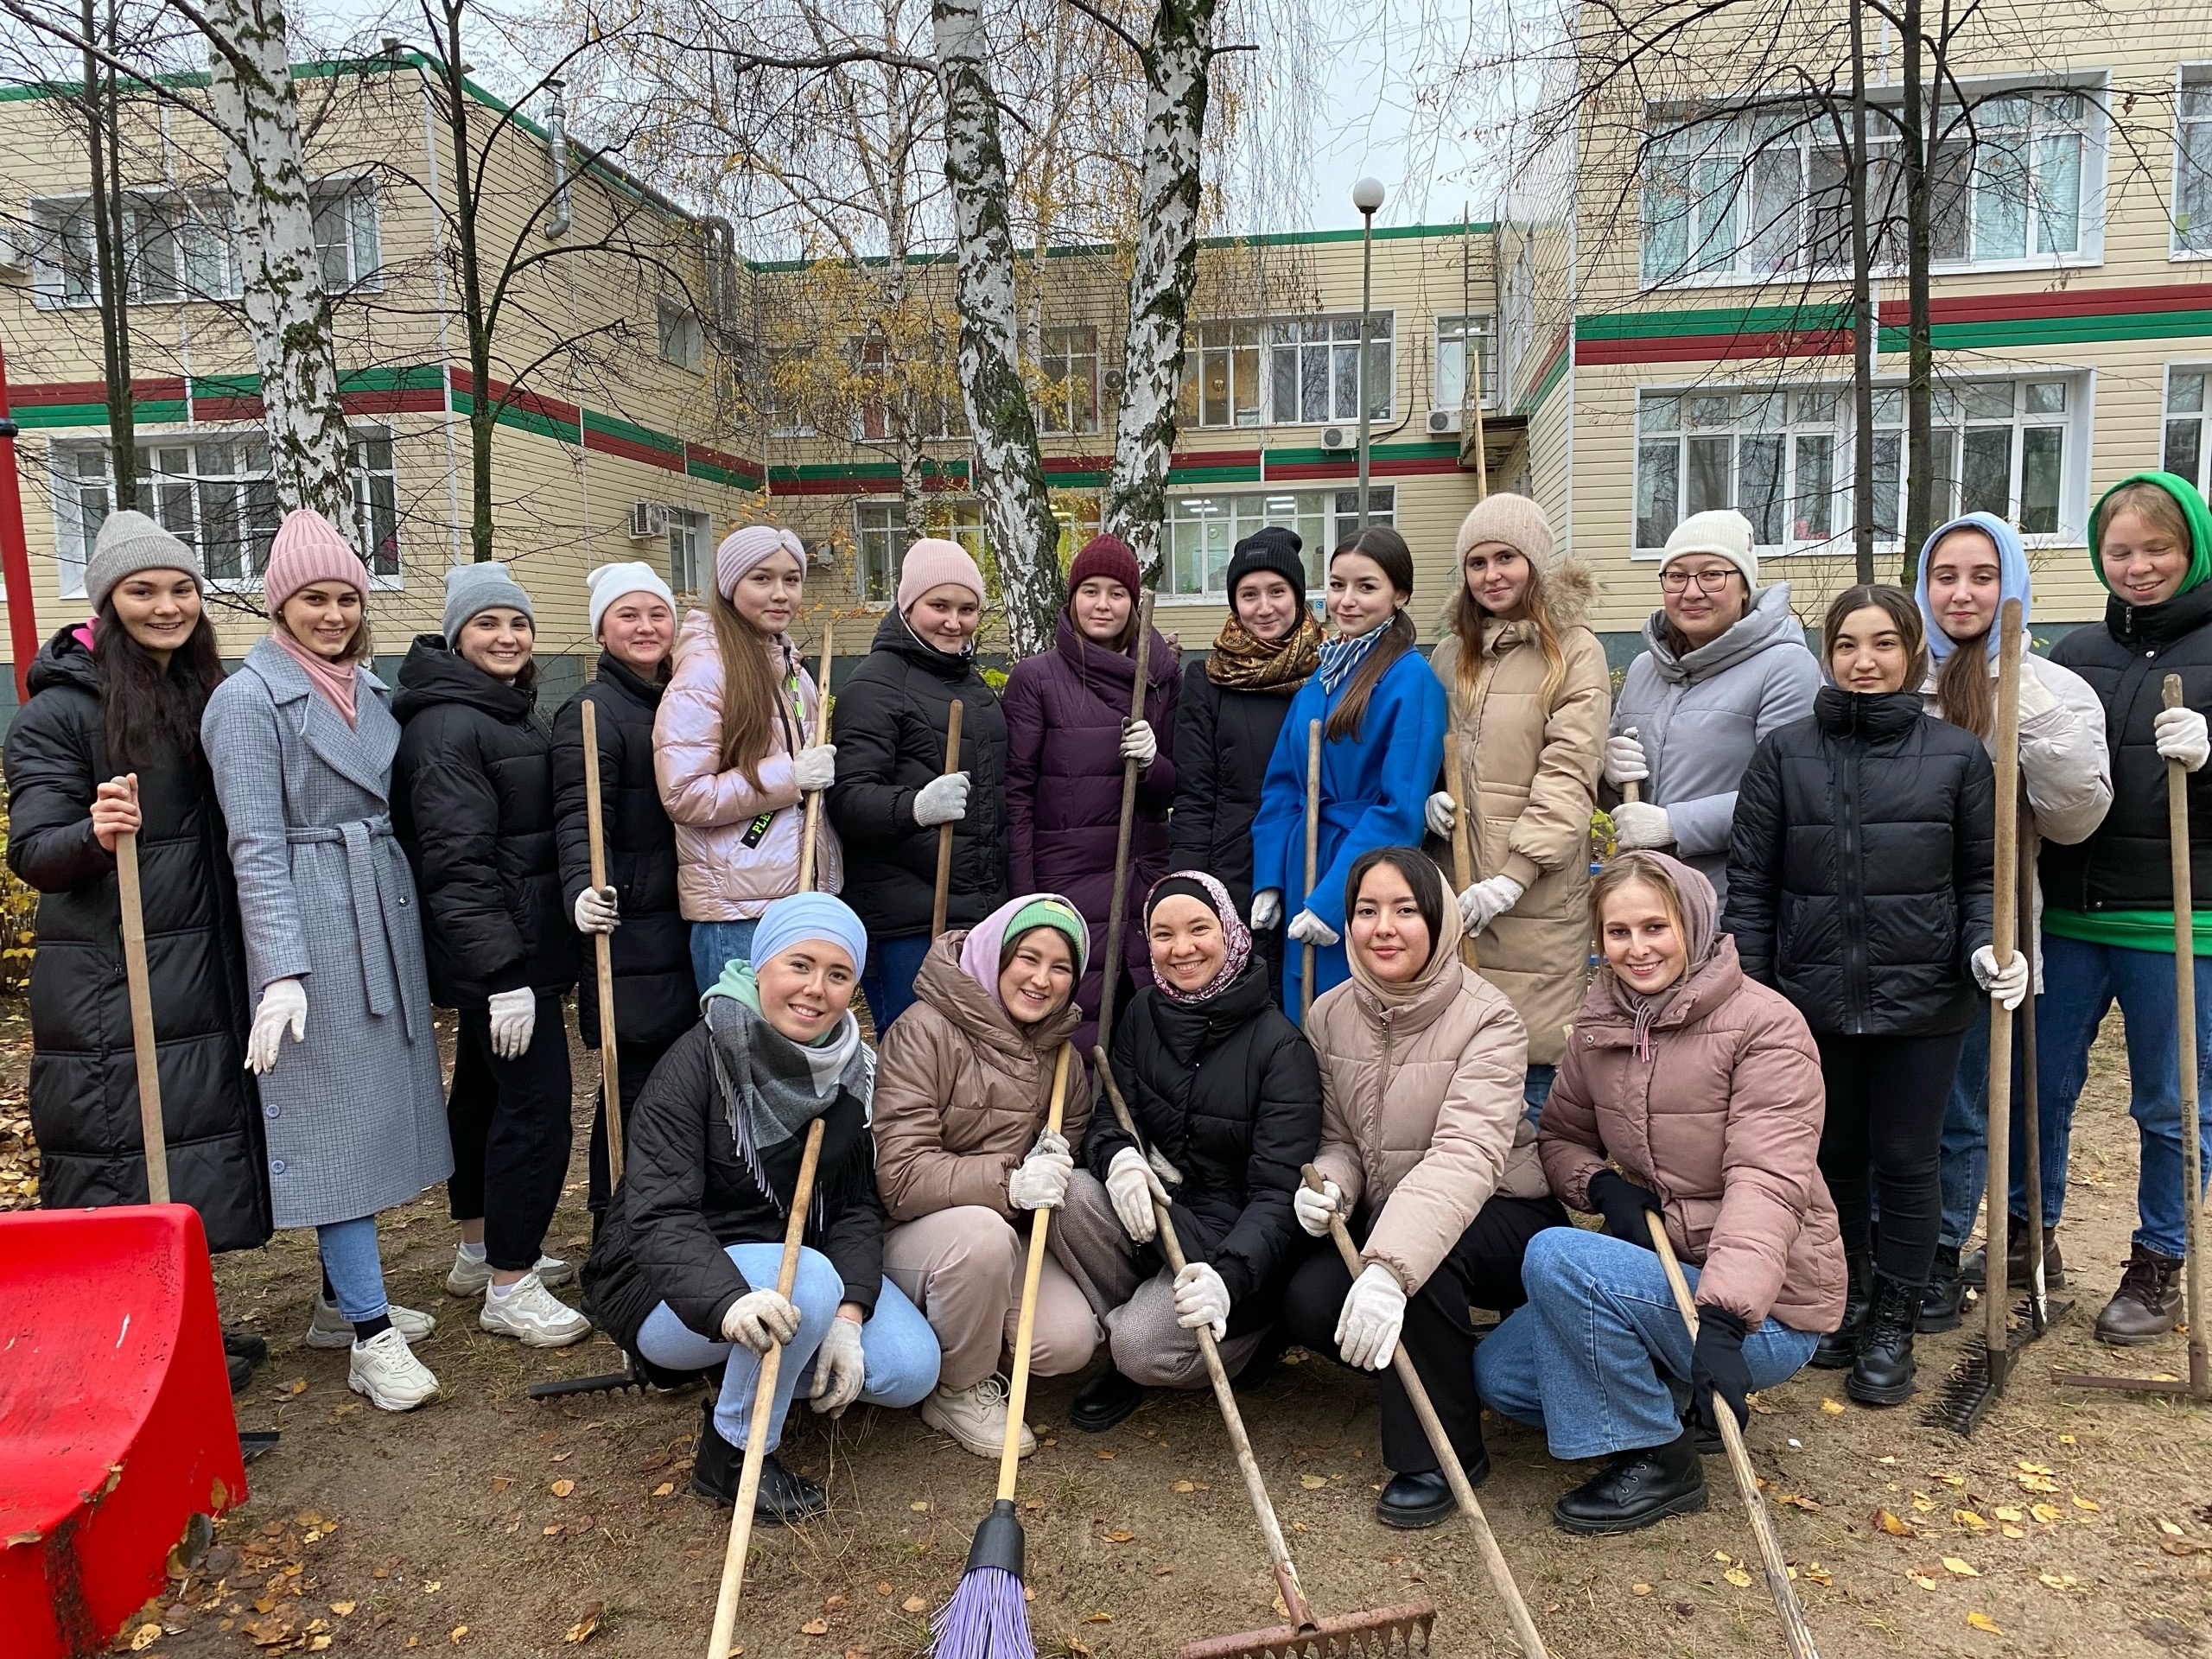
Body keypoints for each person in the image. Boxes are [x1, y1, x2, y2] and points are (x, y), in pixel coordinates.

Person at [1474, 853, 1844, 1534]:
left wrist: (1728, 1322)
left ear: (1695, 924)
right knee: (1501, 1376)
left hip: (1763, 1309)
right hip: (1656, 1273)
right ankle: (1673, 1397)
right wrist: (1603, 1185)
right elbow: (1558, 1137)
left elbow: (1768, 1182)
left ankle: (1660, 1457)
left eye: (1655, 927)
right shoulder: (1601, 1023)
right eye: (1619, 933)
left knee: (1558, 1255)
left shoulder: (1766, 1027)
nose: (1637, 949)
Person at [1724, 585, 2015, 1406]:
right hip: (1811, 1001)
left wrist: (1987, 948)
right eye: (1848, 644)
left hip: (1924, 1002)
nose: (1865, 661)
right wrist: (1755, 986)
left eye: (1884, 644)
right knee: (1834, 1158)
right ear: (1827, 654)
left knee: (1908, 1159)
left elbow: (1980, 879)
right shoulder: (1785, 754)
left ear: (1912, 653)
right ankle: (1846, 1299)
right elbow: (1752, 883)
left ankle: (1894, 1316)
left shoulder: (1956, 756)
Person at [3, 511, 270, 1389]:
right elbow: (35, 853)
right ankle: (131, 1354)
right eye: (144, 590)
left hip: (195, 966)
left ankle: (183, 1322)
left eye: (181, 588)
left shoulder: (203, 695)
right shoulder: (62, 716)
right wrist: (90, 829)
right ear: (109, 604)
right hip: (113, 978)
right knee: (125, 1158)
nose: (167, 605)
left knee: (189, 1149)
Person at [201, 510, 453, 1411]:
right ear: (280, 606)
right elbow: (255, 845)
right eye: (315, 598)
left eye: (347, 596)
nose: (334, 613)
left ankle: (333, 1301)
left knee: (372, 1109)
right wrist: (280, 971)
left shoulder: (367, 690)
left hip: (375, 906)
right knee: (334, 1124)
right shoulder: (246, 701)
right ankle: (369, 1334)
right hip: (311, 923)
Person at [579, 894, 939, 1519]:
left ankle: (753, 1371)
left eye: (837, 974)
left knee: (911, 1369)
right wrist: (728, 1302)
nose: (815, 990)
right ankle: (733, 1451)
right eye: (799, 965)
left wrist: (850, 1321)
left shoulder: (851, 1075)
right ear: (761, 965)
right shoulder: (698, 1061)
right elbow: (658, 1215)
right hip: (671, 1289)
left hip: (802, 1279)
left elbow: (854, 1205)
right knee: (806, 1279)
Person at [1282, 849, 1567, 1529]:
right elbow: (1338, 1138)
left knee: (1425, 1268)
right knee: (1307, 1296)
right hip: (1395, 1213)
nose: (1384, 927)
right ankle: (1444, 1372)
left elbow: (1466, 1156)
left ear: (1439, 922)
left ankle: (1444, 1455)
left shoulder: (1488, 1019)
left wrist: (1388, 1268)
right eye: (1366, 910)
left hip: (1503, 1212)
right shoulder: (1328, 1014)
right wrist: (1333, 1190)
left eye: (1406, 910)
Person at [1912, 513, 2111, 1329]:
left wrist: (2033, 721)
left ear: (2014, 584)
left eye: (1982, 576)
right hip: (1893, 925)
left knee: (1962, 1104)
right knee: (1902, 1105)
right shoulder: (1897, 668)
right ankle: (1886, 1245)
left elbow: (2076, 821)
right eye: (1945, 575)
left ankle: (1940, 1250)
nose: (1962, 593)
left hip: (1984, 926)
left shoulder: (2051, 687)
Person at [2036, 473, 2212, 1344]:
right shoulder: (2073, 654)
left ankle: (2158, 1260)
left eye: (2157, 549)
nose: (2138, 567)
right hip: (2069, 913)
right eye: (2120, 552)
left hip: (2181, 920)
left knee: (2170, 1102)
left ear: (2193, 549)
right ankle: (2033, 1239)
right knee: (2042, 1089)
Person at [1050, 870, 1321, 1430]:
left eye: (1199, 928)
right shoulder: (1144, 1012)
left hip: (1238, 1246)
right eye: (1163, 934)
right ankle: (1137, 1329)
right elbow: (1112, 1115)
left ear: (1230, 931)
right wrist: (1120, 1158)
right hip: (1164, 1210)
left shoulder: (1280, 1046)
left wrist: (1230, 1277)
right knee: (1068, 1194)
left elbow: (1278, 1194)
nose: (1182, 949)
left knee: (1141, 1347)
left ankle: (1241, 1341)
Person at [393, 563, 585, 1347]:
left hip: (514, 948)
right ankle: (512, 1281)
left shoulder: (499, 711)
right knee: (536, 1109)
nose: (507, 638)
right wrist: (505, 976)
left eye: (518, 624)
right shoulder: (449, 725)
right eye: (488, 625)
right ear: (455, 635)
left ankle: (479, 1248)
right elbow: (456, 862)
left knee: (480, 1093)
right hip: (505, 958)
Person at [870, 893, 1097, 1459]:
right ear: (996, 956)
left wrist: (1051, 1166)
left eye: (1061, 966)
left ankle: (962, 1325)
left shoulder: (1065, 1064)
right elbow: (896, 1177)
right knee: (980, 1236)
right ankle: (958, 1388)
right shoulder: (923, 1032)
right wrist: (1010, 1182)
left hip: (998, 1240)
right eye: (1027, 957)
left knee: (1067, 1343)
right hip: (910, 1235)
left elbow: (1054, 1170)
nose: (1042, 979)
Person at [1423, 493, 1609, 1121]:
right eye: (1477, 562)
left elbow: (1569, 770)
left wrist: (1515, 873)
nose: (1492, 575)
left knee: (1526, 1058)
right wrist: (1431, 798)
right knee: (1461, 1054)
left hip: (1534, 894)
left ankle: (1535, 1202)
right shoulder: (1452, 654)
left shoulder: (1573, 650)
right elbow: (1433, 744)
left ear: (1535, 560)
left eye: (1507, 557)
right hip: (1460, 880)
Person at [1250, 530, 1446, 1019]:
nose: (1347, 600)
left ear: (1399, 595)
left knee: (1348, 1010)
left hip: (1362, 879)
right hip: (1304, 862)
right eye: (1337, 586)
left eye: (1366, 587)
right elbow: (1283, 785)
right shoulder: (1321, 677)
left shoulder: (1410, 679)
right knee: (1303, 1005)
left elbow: (1399, 810)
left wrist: (1333, 899)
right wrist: (1271, 877)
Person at [554, 563, 694, 1236]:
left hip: (689, 916)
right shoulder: (591, 709)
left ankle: (670, 1223)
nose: (645, 628)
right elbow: (580, 814)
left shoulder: (684, 698)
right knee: (632, 1080)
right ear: (602, 628)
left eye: (657, 615)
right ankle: (613, 1228)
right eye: (628, 616)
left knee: (686, 1081)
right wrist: (584, 887)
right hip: (629, 928)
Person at [1003, 533, 1179, 1057]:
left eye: (1117, 594)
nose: (1103, 605)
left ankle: (1128, 1132)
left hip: (1139, 877)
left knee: (1141, 1020)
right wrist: (1025, 896)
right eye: (1090, 591)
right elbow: (1016, 793)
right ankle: (1068, 1130)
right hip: (1065, 882)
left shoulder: (1161, 677)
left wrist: (1153, 764)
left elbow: (1177, 785)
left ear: (1134, 602)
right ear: (1071, 598)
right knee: (1068, 1023)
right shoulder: (1036, 678)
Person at [829, 539, 1007, 1032]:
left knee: (967, 1069)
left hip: (973, 913)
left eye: (967, 609)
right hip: (906, 921)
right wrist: (916, 808)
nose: (954, 621)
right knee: (914, 1068)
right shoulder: (873, 686)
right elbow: (846, 800)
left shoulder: (975, 690)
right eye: (939, 606)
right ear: (907, 607)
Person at [1600, 509, 1820, 908]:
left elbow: (1792, 793)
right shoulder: (1644, 669)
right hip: (1645, 902)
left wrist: (1674, 824)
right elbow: (1620, 798)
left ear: (1745, 588)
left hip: (1731, 901)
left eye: (1712, 574)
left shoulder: (1785, 666)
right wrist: (1608, 774)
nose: (1692, 591)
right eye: (1677, 575)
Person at [653, 524, 839, 995]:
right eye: (762, 578)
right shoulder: (706, 670)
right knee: (743, 1061)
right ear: (730, 585)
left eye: (792, 579)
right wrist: (790, 776)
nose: (780, 594)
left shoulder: (792, 669)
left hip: (795, 900)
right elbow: (685, 795)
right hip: (738, 913)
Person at [1171, 526, 1325, 993]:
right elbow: (1195, 796)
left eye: (1277, 592)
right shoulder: (1207, 680)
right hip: (1233, 870)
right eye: (1249, 594)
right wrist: (1190, 886)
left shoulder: (1329, 672)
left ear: (1298, 597)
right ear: (1234, 602)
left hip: (1315, 861)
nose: (1264, 608)